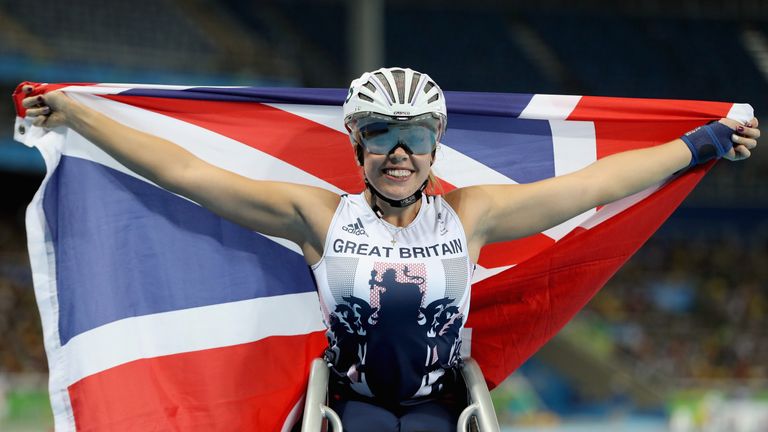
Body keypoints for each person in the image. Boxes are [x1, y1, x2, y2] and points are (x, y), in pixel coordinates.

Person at [21, 67, 760, 432]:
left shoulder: (472, 215)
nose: (399, 153)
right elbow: (185, 171)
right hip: (351, 410)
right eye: (382, 135)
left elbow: (597, 181)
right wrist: (80, 116)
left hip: (443, 412)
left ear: (437, 143)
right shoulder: (316, 215)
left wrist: (696, 145)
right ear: (357, 143)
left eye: (415, 137)